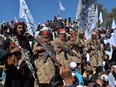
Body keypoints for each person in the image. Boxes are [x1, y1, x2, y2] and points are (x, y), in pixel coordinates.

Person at [3, 22, 34, 87]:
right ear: (15, 29)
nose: (21, 29)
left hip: (25, 70)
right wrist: (12, 51)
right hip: (13, 69)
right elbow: (2, 52)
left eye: (22, 28)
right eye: (19, 28)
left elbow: (30, 53)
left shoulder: (25, 40)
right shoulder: (10, 39)